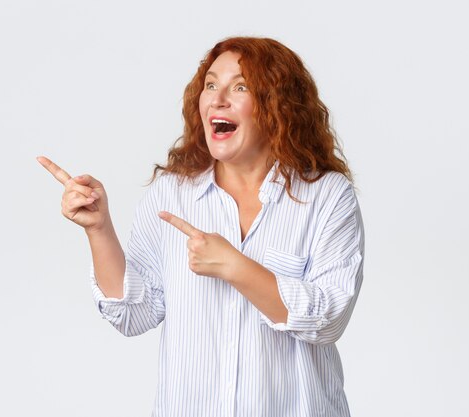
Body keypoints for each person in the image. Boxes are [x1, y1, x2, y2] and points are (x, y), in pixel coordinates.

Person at [37, 36, 365, 417]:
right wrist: (98, 229)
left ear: (279, 105)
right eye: (210, 85)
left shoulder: (326, 196)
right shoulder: (172, 194)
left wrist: (234, 266)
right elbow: (133, 314)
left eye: (239, 87)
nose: (217, 99)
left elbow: (329, 319)